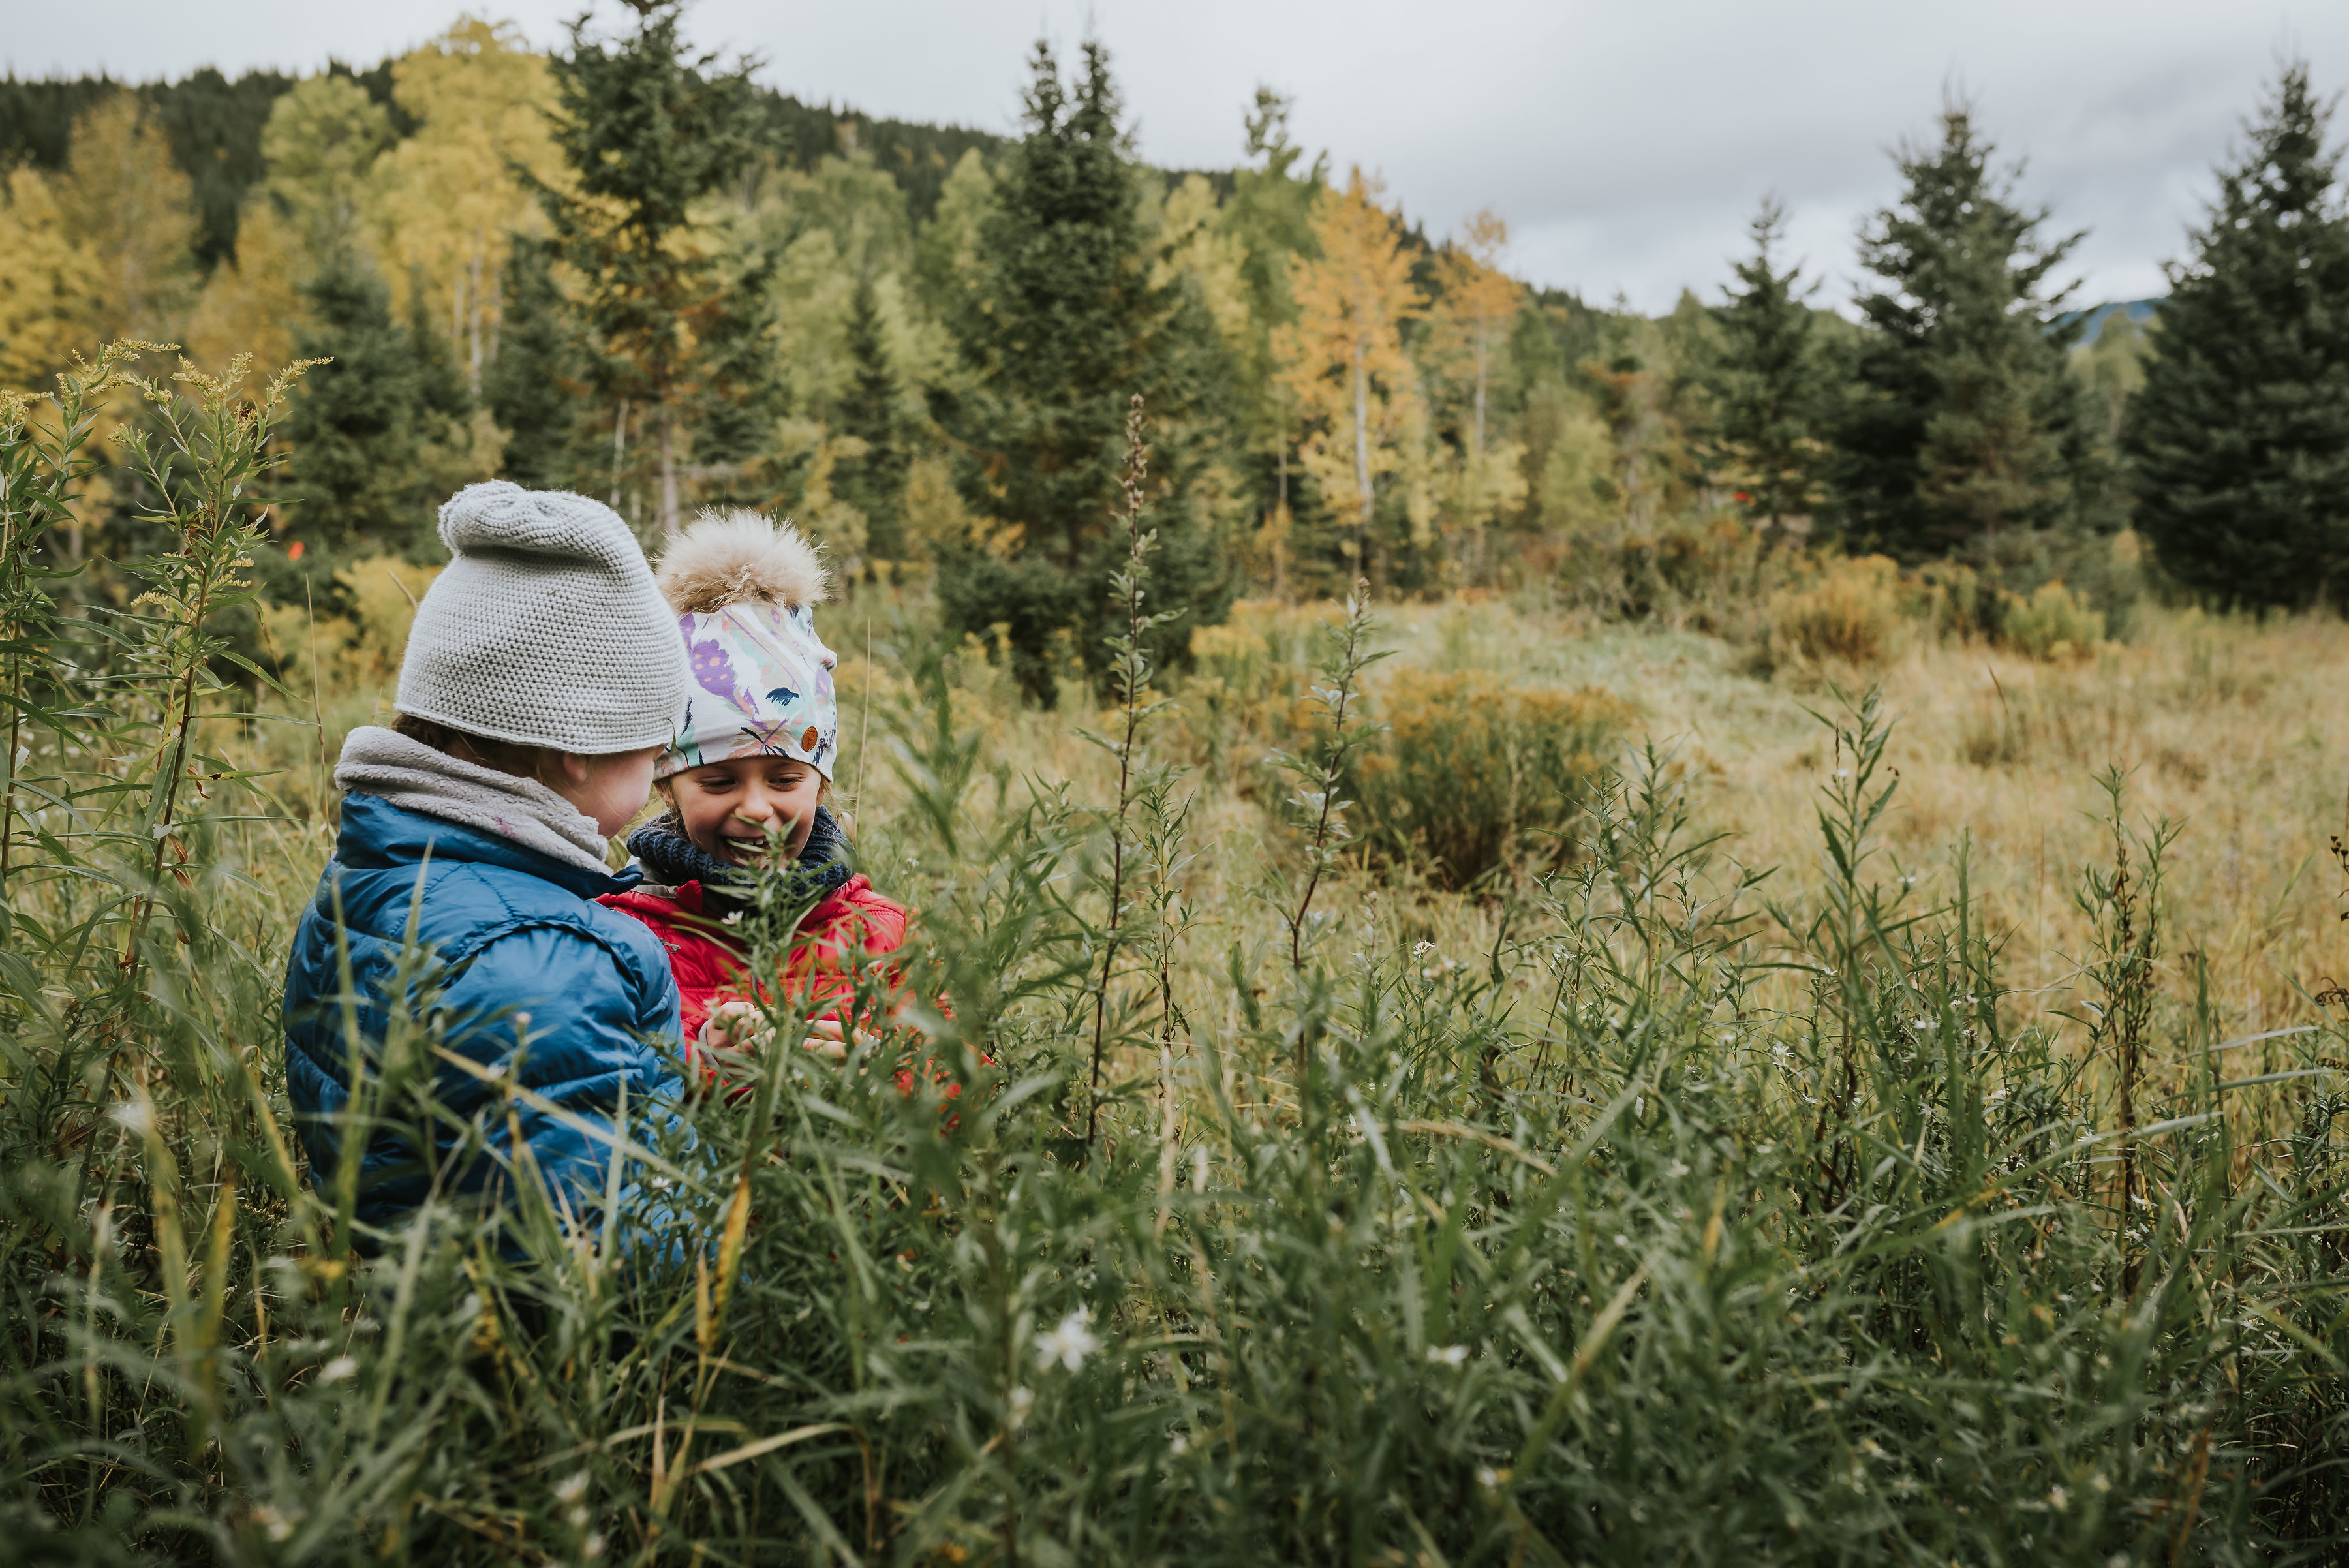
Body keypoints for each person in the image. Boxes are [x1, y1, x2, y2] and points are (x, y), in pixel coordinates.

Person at [281, 482, 690, 1242]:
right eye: (654, 752)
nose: (656, 782)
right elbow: (606, 1256)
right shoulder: (547, 963)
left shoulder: (370, 879)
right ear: (578, 746)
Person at [598, 510, 913, 1095]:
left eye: (785, 779)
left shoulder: (881, 932)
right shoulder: (621, 936)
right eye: (719, 782)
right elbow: (593, 1096)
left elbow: (966, 1095)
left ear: (821, 783)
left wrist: (885, 1083)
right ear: (668, 786)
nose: (757, 809)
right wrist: (697, 1074)